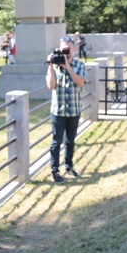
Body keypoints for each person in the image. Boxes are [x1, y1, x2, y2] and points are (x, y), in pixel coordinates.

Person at [46, 36, 86, 184]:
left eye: (67, 48)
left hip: (74, 109)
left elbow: (80, 83)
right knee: (56, 141)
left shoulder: (79, 65)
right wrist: (51, 65)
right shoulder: (54, 66)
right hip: (58, 110)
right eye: (63, 48)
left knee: (70, 141)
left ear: (73, 49)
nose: (65, 51)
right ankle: (55, 171)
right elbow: (50, 86)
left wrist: (68, 67)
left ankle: (69, 166)